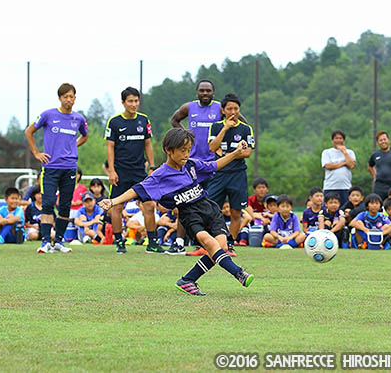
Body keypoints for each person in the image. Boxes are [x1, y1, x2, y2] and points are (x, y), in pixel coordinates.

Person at [98, 128, 254, 296]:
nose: (186, 154)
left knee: (220, 247)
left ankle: (188, 280)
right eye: (182, 151)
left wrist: (236, 153)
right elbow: (136, 190)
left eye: (188, 150)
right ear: (168, 150)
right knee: (210, 244)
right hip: (190, 215)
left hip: (209, 209)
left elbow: (214, 165)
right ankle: (239, 273)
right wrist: (113, 201)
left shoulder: (191, 165)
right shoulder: (160, 175)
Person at [25, 83, 89, 254]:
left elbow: (85, 135)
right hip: (51, 168)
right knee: (48, 204)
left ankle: (59, 241)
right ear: (60, 98)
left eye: (71, 96)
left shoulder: (79, 119)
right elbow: (29, 132)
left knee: (65, 206)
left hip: (69, 168)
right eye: (65, 96)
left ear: (75, 98)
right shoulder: (48, 115)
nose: (69, 100)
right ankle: (46, 242)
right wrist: (36, 153)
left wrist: (73, 145)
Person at [169, 80, 228, 256]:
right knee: (184, 202)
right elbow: (174, 120)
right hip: (190, 163)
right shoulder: (189, 107)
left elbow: (239, 121)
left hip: (211, 164)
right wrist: (184, 136)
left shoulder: (219, 108)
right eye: (202, 90)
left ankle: (207, 244)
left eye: (208, 90)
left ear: (213, 92)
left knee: (209, 205)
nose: (205, 93)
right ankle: (179, 243)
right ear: (197, 92)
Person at [104, 86, 161, 254]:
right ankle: (119, 242)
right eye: (130, 101)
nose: (134, 104)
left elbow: (148, 144)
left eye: (136, 101)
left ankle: (152, 242)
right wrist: (111, 171)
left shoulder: (144, 120)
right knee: (117, 207)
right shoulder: (114, 122)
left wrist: (152, 167)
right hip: (120, 172)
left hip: (139, 173)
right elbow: (110, 148)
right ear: (123, 102)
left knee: (149, 205)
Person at [207, 93, 254, 256]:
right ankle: (209, 245)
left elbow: (247, 152)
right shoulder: (216, 127)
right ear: (223, 110)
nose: (233, 112)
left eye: (236, 108)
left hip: (238, 174)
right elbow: (212, 148)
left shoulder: (246, 128)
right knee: (212, 210)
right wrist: (226, 128)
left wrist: (226, 154)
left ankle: (230, 245)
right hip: (218, 173)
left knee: (235, 212)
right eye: (229, 109)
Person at [321, 130, 356, 206]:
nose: (338, 140)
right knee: (328, 210)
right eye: (336, 138)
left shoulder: (350, 152)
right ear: (332, 140)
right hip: (330, 186)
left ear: (344, 140)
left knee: (346, 210)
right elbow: (328, 166)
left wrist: (344, 152)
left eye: (340, 138)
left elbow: (351, 165)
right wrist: (344, 163)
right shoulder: (326, 152)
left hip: (345, 187)